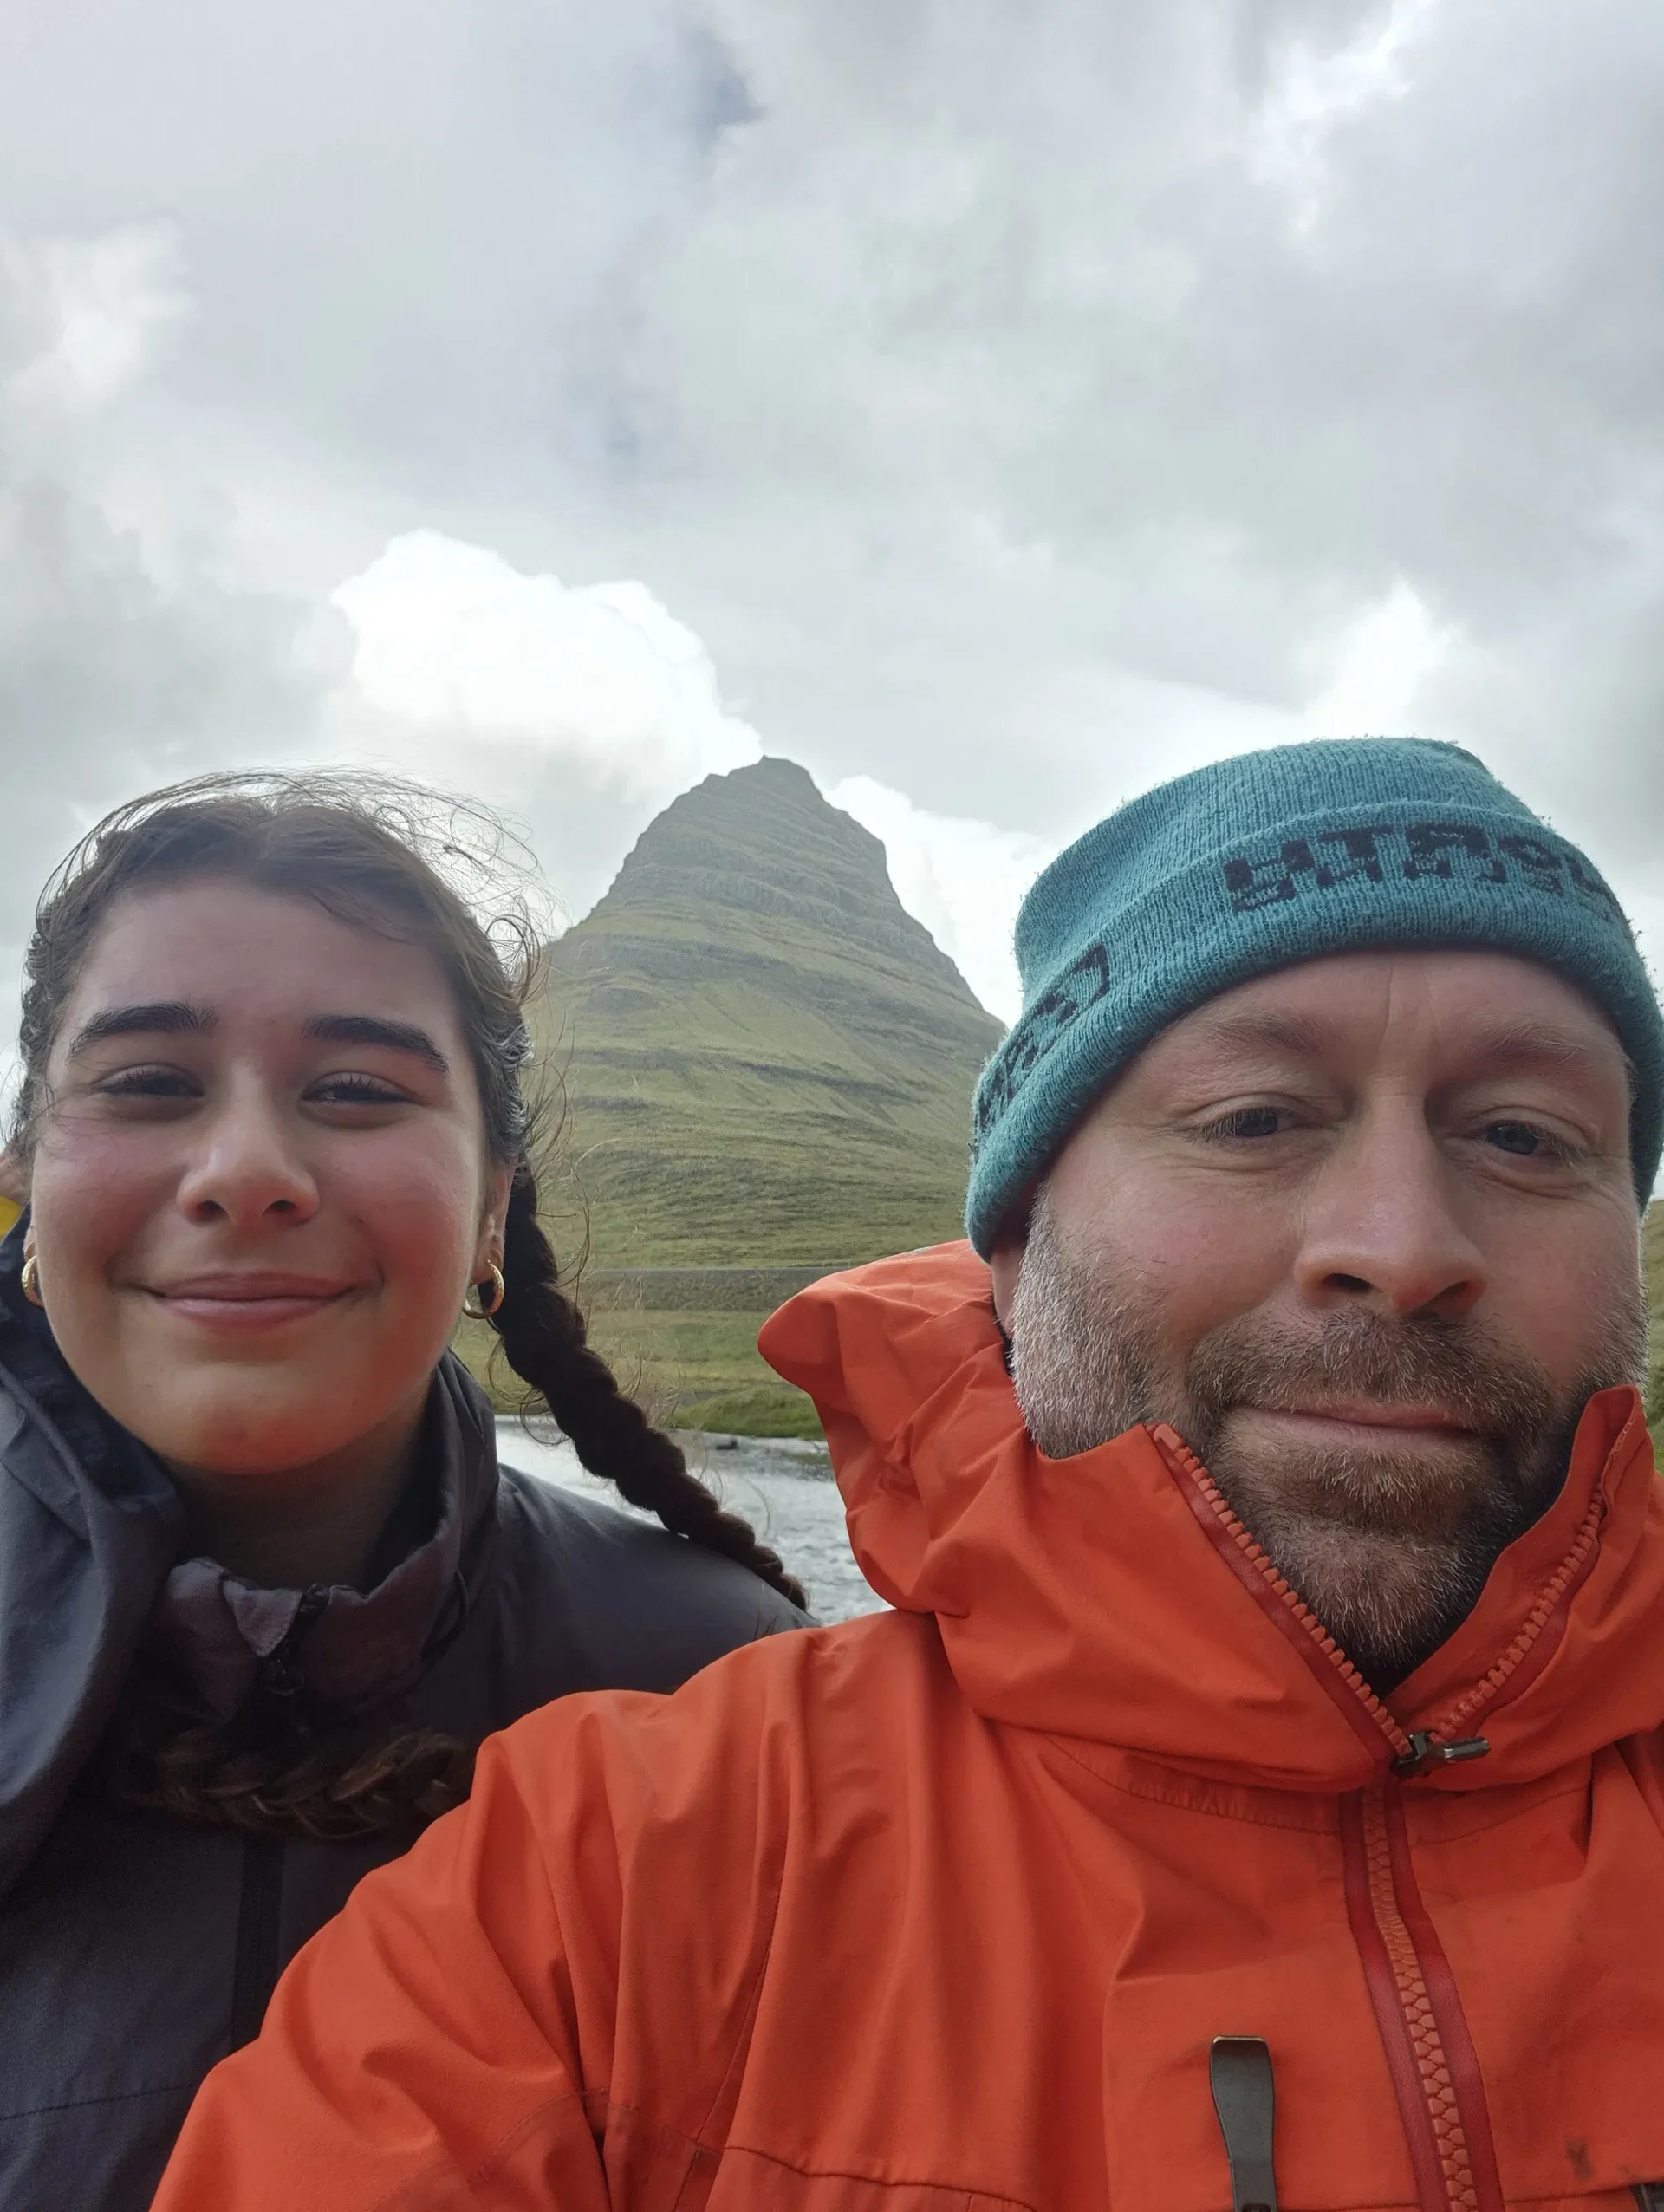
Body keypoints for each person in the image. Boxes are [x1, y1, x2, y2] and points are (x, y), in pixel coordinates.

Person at [154, 738, 1664, 2212]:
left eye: (1526, 1136)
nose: (1402, 1248)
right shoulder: (602, 1890)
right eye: (1253, 1120)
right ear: (1012, 1256)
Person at [0, 774, 807, 2212]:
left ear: (494, 1205)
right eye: (147, 1085)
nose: (244, 1173)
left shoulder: (727, 1694)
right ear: (25, 1181)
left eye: (358, 1090)